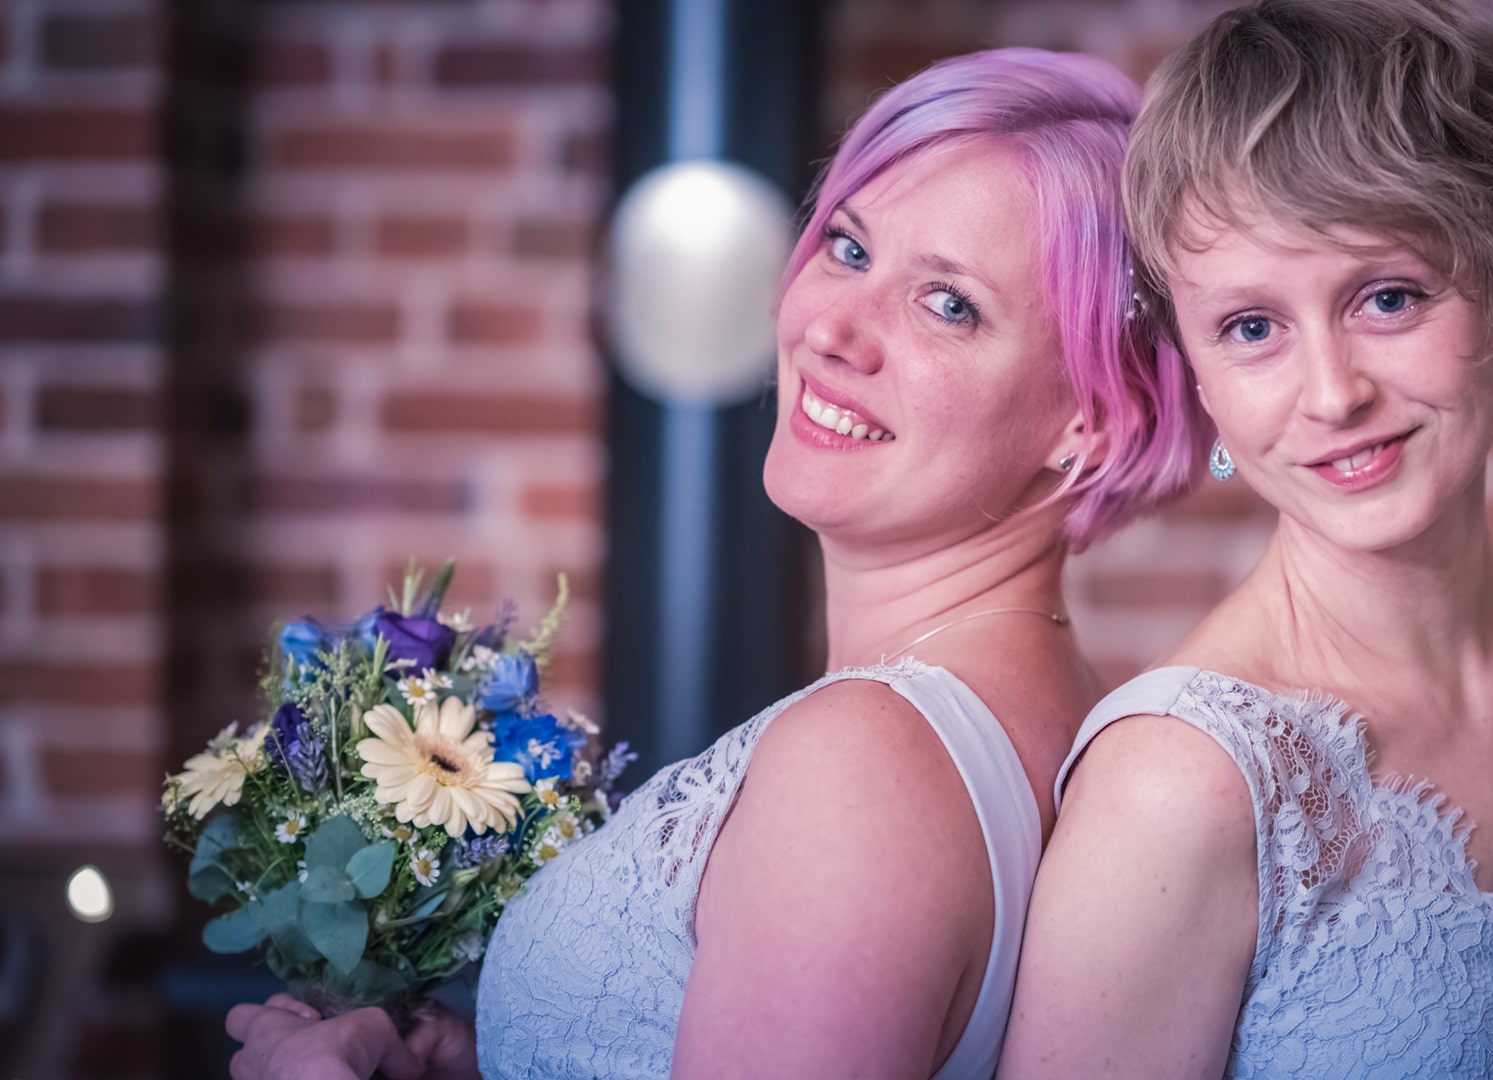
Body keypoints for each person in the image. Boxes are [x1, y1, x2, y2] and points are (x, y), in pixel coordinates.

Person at [225, 46, 1200, 1080]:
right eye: (849, 247)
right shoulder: (1054, 717)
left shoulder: (863, 762)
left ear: (1091, 427)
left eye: (947, 304)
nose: (831, 330)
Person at [998, 2, 1493, 1077]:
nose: (1332, 394)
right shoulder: (1176, 784)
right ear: (1194, 364)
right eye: (1252, 328)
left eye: (1389, 297)